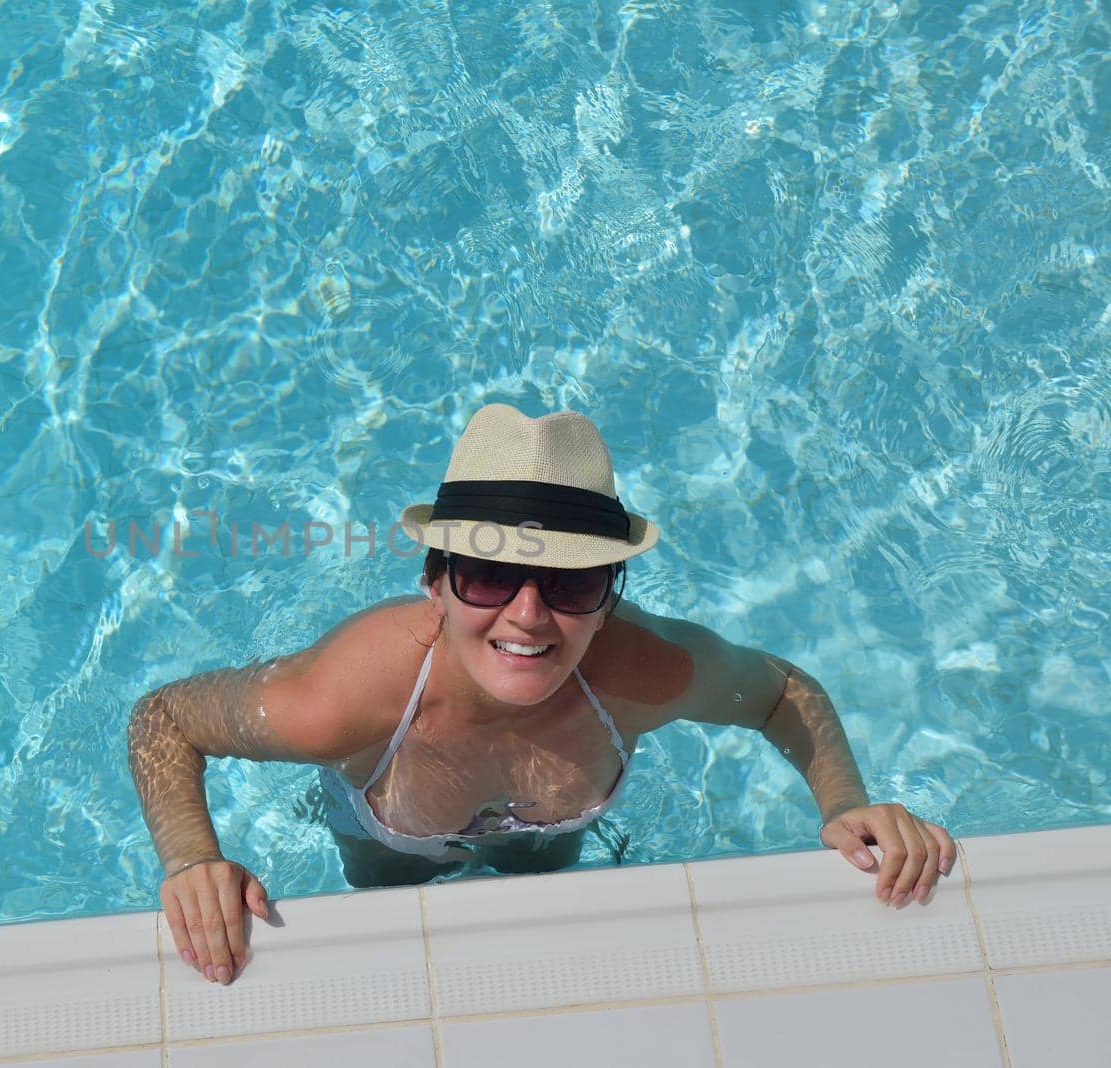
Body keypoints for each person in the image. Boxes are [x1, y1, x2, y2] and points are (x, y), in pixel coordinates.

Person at [127, 404, 956, 986]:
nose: (528, 615)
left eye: (569, 582)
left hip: (551, 833)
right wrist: (194, 858)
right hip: (392, 833)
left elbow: (781, 692)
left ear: (610, 597)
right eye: (489, 575)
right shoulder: (348, 695)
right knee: (387, 903)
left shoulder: (643, 673)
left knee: (549, 891)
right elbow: (165, 719)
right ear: (435, 584)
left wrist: (844, 801)